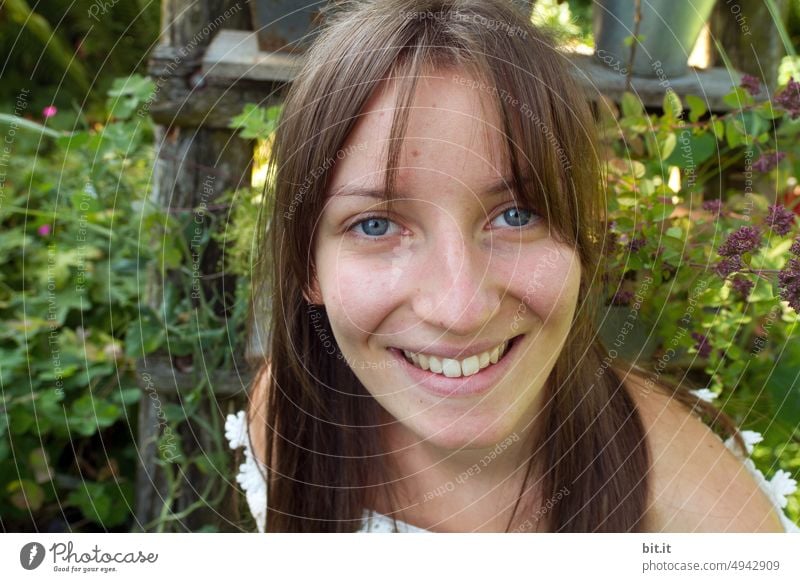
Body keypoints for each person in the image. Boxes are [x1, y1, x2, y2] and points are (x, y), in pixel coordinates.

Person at [225, 0, 797, 533]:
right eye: (375, 225)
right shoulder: (289, 415)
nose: (461, 309)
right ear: (309, 266)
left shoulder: (711, 528)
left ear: (582, 239)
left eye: (517, 215)